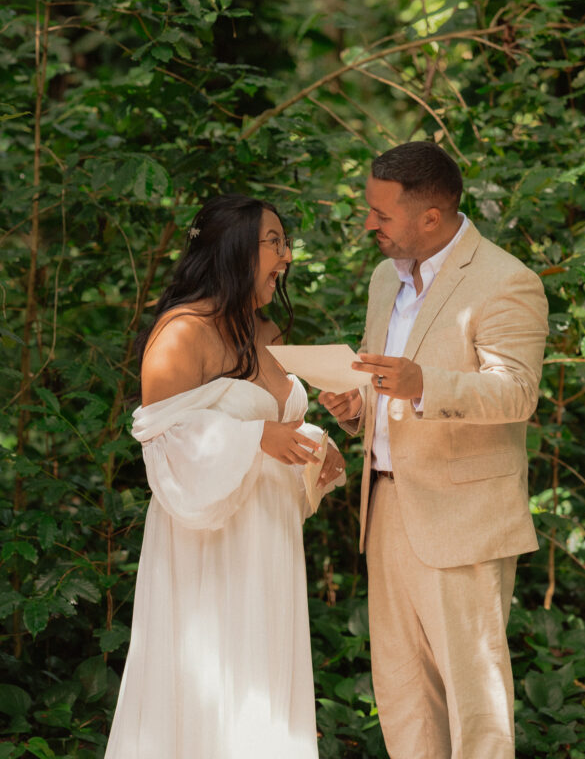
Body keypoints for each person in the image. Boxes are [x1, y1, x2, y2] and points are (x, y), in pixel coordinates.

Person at [319, 141, 548, 759]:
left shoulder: (506, 281)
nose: (368, 223)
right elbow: (383, 388)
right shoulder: (380, 279)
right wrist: (356, 407)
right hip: (386, 506)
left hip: (464, 519)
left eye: (381, 214)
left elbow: (518, 393)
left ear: (431, 216)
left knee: (475, 702)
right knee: (400, 692)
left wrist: (425, 384)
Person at [104, 193, 345, 759]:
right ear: (234, 248)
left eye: (285, 242)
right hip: (206, 551)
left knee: (262, 688)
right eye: (274, 241)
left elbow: (282, 427)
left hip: (270, 541)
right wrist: (255, 437)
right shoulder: (181, 333)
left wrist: (317, 445)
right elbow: (164, 446)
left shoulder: (267, 334)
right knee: (209, 687)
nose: (286, 256)